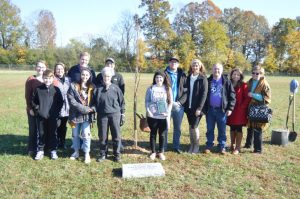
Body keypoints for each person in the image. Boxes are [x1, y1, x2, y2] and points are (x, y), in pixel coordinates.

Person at [91, 67, 125, 162]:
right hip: (102, 116)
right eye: (105, 76)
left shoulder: (116, 88)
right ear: (102, 76)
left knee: (116, 136)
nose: (106, 78)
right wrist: (93, 109)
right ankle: (103, 154)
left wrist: (123, 114)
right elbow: (93, 103)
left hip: (115, 115)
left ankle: (116, 154)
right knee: (102, 136)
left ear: (111, 77)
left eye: (108, 76)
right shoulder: (97, 89)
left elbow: (122, 102)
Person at [203, 63, 236, 154]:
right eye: (215, 69)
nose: (216, 71)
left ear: (221, 70)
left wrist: (230, 108)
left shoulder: (226, 81)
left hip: (222, 110)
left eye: (218, 69)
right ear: (212, 70)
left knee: (222, 129)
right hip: (210, 110)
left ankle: (222, 146)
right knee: (210, 129)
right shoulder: (208, 80)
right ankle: (209, 145)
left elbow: (232, 95)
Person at [32, 69, 63, 160]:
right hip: (41, 117)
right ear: (43, 78)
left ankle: (53, 150)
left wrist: (56, 112)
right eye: (45, 78)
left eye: (49, 78)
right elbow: (34, 102)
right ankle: (40, 150)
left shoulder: (56, 90)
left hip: (53, 117)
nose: (47, 80)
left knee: (53, 133)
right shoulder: (38, 89)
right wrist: (38, 111)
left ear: (52, 78)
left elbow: (60, 102)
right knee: (41, 133)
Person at [68, 68, 95, 164]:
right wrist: (83, 108)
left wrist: (92, 109)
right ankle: (76, 152)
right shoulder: (73, 86)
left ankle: (87, 153)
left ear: (90, 76)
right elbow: (71, 100)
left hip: (87, 116)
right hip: (74, 116)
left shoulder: (92, 87)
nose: (85, 76)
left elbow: (95, 102)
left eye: (87, 75)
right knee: (75, 134)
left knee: (86, 134)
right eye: (83, 74)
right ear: (80, 75)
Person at [145, 71, 173, 161]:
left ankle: (161, 152)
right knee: (153, 134)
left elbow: (170, 102)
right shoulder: (151, 89)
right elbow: (147, 101)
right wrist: (148, 111)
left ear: (164, 78)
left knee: (162, 135)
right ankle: (153, 152)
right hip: (152, 116)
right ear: (154, 78)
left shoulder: (167, 89)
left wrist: (167, 112)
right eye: (157, 77)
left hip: (163, 116)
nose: (159, 79)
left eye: (160, 77)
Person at [184, 59, 208, 154]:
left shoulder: (203, 78)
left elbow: (204, 95)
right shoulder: (189, 77)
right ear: (191, 67)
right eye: (193, 65)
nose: (195, 67)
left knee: (194, 126)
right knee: (190, 127)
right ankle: (192, 145)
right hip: (189, 107)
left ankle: (196, 146)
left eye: (197, 65)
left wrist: (199, 108)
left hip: (197, 108)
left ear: (200, 66)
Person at [245, 65, 271, 153]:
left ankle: (258, 149)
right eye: (253, 73)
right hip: (250, 107)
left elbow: (267, 98)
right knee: (250, 126)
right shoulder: (249, 82)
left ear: (261, 74)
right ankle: (248, 144)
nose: (255, 75)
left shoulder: (264, 84)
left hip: (259, 108)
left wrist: (253, 95)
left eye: (258, 73)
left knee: (257, 128)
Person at [164, 57, 187, 153]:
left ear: (178, 64)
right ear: (169, 63)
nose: (173, 63)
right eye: (172, 61)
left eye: (176, 62)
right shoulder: (164, 74)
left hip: (178, 105)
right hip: (166, 104)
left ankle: (176, 146)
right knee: (164, 126)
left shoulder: (182, 75)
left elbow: (187, 90)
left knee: (177, 127)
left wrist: (180, 102)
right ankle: (163, 146)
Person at [25, 60, 47, 156]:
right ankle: (31, 148)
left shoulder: (48, 78)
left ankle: (43, 148)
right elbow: (27, 95)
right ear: (35, 68)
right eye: (39, 66)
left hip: (45, 110)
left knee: (43, 130)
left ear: (46, 68)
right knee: (33, 129)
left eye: (43, 67)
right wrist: (30, 108)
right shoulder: (31, 79)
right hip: (33, 109)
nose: (41, 69)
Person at [226, 68, 251, 155]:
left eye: (238, 74)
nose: (236, 76)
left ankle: (238, 147)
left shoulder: (243, 85)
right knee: (232, 127)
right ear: (231, 75)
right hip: (230, 109)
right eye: (234, 74)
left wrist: (242, 107)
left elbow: (247, 98)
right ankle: (232, 145)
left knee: (238, 127)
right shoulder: (228, 83)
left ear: (240, 76)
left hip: (240, 110)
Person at [54, 62, 71, 149]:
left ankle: (62, 142)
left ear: (64, 70)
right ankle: (55, 142)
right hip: (56, 107)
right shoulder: (53, 79)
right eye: (58, 69)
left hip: (67, 107)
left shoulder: (69, 80)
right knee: (57, 125)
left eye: (61, 69)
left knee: (63, 126)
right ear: (55, 70)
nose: (60, 70)